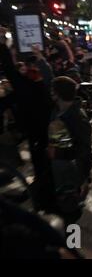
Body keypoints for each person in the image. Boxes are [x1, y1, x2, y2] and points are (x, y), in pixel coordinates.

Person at [0, 42, 53, 209]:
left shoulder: (27, 84)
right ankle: (41, 191)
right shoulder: (36, 83)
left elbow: (10, 71)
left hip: (37, 130)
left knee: (41, 161)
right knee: (41, 162)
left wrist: (5, 49)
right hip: (39, 130)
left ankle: (43, 198)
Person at [49, 76, 92, 224]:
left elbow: (84, 149)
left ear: (57, 94)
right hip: (60, 170)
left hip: (71, 172)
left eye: (52, 91)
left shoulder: (77, 118)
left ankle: (72, 242)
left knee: (71, 212)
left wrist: (85, 178)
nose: (50, 93)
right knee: (63, 205)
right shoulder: (58, 111)